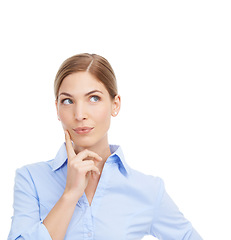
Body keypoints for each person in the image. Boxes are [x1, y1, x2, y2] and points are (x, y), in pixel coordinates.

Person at [8, 53, 203, 240]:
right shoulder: (31, 180)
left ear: (115, 104)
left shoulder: (148, 189)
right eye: (67, 101)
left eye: (94, 98)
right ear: (57, 109)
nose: (79, 114)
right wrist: (70, 194)